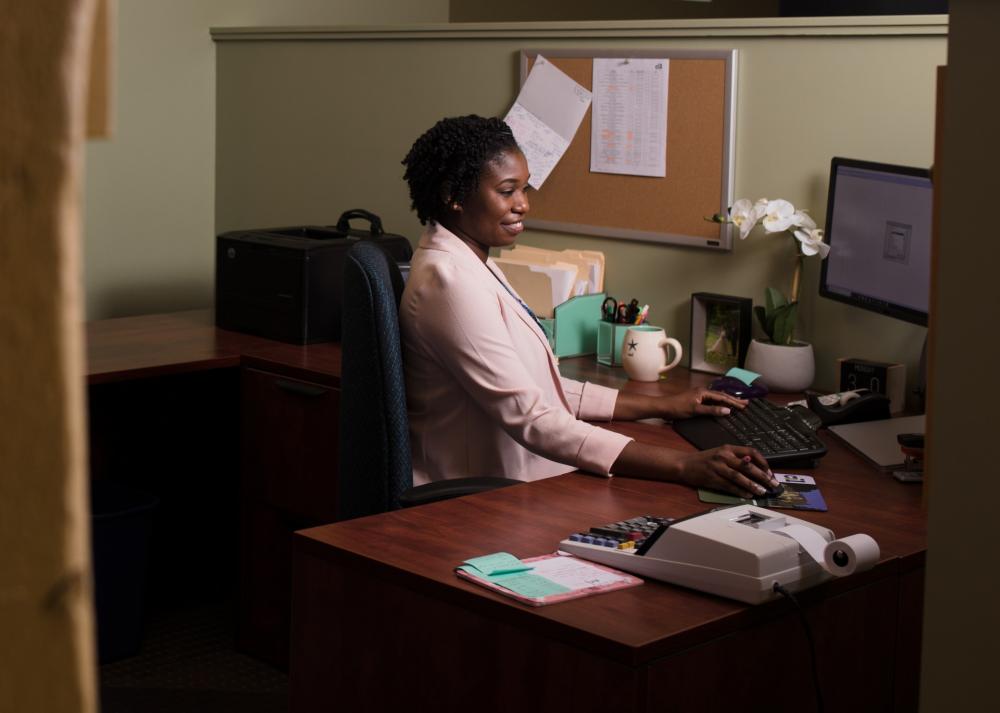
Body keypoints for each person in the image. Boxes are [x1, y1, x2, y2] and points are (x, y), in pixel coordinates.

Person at [398, 115, 776, 498]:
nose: (524, 205)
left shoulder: (474, 261)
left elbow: (537, 386)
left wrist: (664, 406)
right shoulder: (449, 282)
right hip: (479, 499)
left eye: (525, 189)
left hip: (519, 476)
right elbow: (530, 415)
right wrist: (683, 465)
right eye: (507, 191)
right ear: (452, 195)